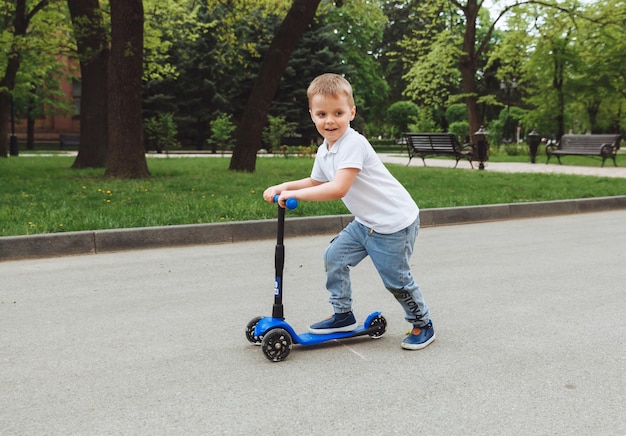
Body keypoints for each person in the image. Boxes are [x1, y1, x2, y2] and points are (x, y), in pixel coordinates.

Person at [263, 73, 434, 350]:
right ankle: (342, 315)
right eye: (322, 114)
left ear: (351, 112)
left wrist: (294, 195)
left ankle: (422, 322)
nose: (330, 120)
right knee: (334, 257)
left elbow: (338, 188)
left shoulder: (354, 143)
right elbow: (316, 181)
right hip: (365, 222)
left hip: (393, 224)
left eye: (338, 113)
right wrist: (284, 186)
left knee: (397, 281)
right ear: (312, 115)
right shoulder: (326, 148)